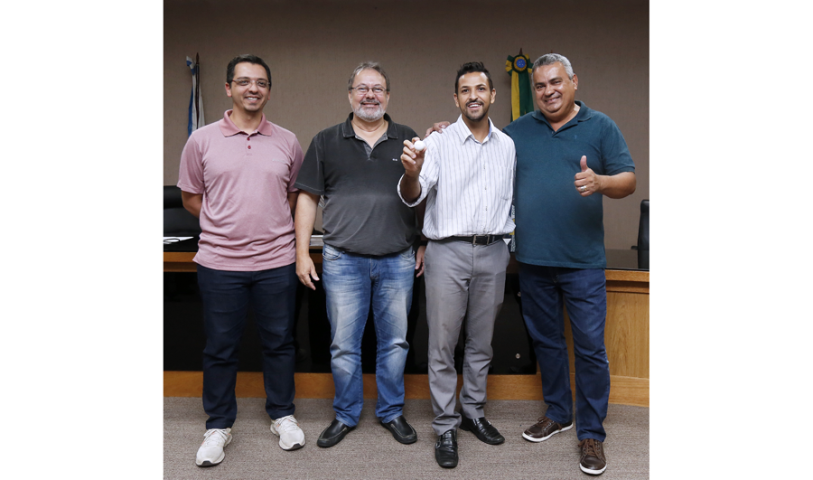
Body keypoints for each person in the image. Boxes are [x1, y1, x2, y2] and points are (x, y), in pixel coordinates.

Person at [502, 53, 637, 476]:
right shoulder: (518, 131)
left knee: (591, 349)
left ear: (574, 81)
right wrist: (442, 133)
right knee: (547, 343)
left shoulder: (600, 126)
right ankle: (559, 413)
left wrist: (601, 182)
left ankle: (592, 432)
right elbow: (481, 152)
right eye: (540, 85)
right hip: (533, 260)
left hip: (582, 263)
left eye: (556, 82)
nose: (548, 91)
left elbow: (628, 180)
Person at [178, 54, 306, 467]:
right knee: (220, 347)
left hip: (276, 261)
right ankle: (218, 424)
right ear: (228, 88)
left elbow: (292, 196)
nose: (254, 89)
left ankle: (282, 415)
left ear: (269, 90)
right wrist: (226, 225)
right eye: (245, 81)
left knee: (280, 343)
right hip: (219, 262)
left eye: (262, 83)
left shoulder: (287, 141)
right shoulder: (201, 140)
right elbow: (191, 197)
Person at [294, 61, 423, 449]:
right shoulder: (325, 141)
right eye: (362, 88)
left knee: (395, 342)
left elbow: (423, 197)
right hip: (342, 259)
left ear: (388, 95)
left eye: (378, 89)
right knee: (344, 344)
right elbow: (307, 198)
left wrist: (424, 242)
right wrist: (302, 252)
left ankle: (391, 412)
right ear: (350, 95)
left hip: (397, 259)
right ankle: (346, 414)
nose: (370, 95)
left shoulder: (408, 139)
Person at [398, 62, 516, 469]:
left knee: (482, 343)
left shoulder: (507, 145)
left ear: (492, 95)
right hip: (446, 252)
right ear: (456, 98)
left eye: (480, 89)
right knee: (443, 345)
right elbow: (413, 196)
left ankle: (473, 413)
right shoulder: (439, 142)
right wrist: (411, 172)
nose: (474, 96)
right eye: (465, 90)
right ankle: (446, 425)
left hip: (494, 251)